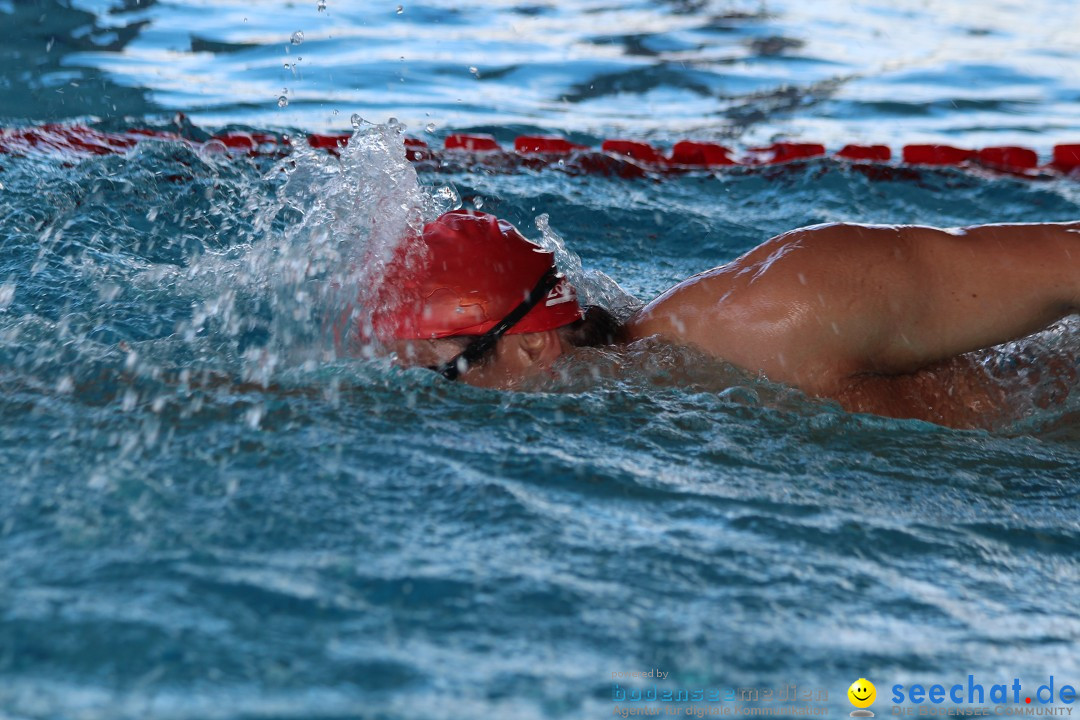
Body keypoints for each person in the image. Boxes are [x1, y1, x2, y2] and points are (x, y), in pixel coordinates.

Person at [370, 209, 1079, 429]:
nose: (438, 409)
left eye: (444, 381)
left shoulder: (780, 308)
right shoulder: (666, 393)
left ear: (528, 351)